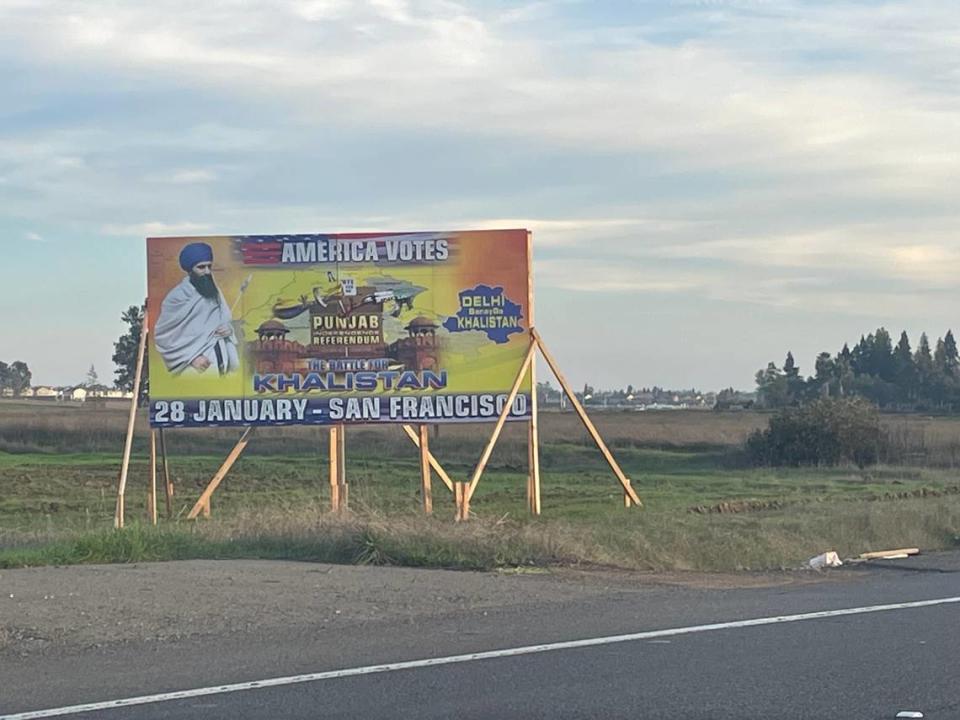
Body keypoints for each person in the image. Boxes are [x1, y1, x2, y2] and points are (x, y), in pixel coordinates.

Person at [154, 242, 240, 376]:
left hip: (224, 361)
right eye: (201, 267)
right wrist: (191, 358)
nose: (207, 271)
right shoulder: (176, 297)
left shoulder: (213, 290)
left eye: (209, 266)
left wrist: (229, 330)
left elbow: (225, 318)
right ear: (190, 269)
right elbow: (163, 337)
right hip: (198, 370)